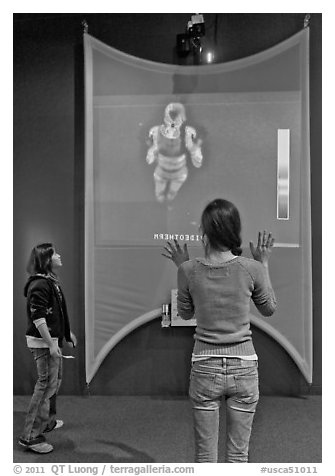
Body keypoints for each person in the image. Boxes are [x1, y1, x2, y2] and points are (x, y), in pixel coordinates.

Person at [162, 198, 277, 463]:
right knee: (238, 456)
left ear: (204, 232)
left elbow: (187, 313)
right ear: (234, 229)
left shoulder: (188, 270)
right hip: (244, 365)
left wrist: (181, 266)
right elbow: (269, 308)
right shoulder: (252, 268)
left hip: (204, 365)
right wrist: (264, 263)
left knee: (205, 456)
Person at [18, 243, 77, 454]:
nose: (59, 255)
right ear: (47, 260)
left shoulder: (51, 282)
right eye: (55, 254)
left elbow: (55, 314)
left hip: (51, 340)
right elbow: (39, 318)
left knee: (53, 383)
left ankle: (46, 422)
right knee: (45, 386)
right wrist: (52, 344)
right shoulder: (40, 284)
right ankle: (30, 436)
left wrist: (65, 333)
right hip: (43, 344)